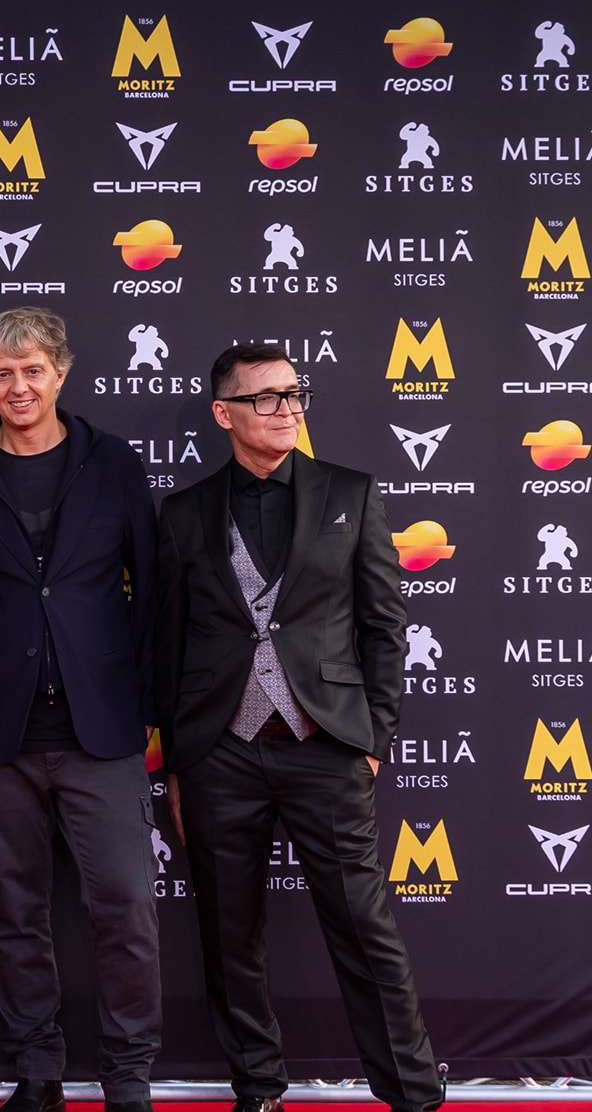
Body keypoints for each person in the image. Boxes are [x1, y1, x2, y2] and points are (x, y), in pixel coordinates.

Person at [152, 343, 443, 1112]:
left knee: (363, 928)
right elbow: (167, 642)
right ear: (224, 414)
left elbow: (386, 627)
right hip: (220, 752)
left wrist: (374, 739)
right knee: (228, 933)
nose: (287, 409)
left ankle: (414, 1095)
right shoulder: (183, 513)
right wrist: (179, 763)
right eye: (267, 398)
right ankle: (258, 1088)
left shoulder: (352, 492)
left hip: (328, 747)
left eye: (295, 394)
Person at [0, 308, 161, 1112]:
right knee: (16, 912)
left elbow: (151, 594)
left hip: (102, 730)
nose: (18, 386)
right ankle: (38, 1071)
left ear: (62, 372)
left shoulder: (113, 464)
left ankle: (128, 1076)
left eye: (33, 370)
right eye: (2, 373)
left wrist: (150, 706)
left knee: (124, 905)